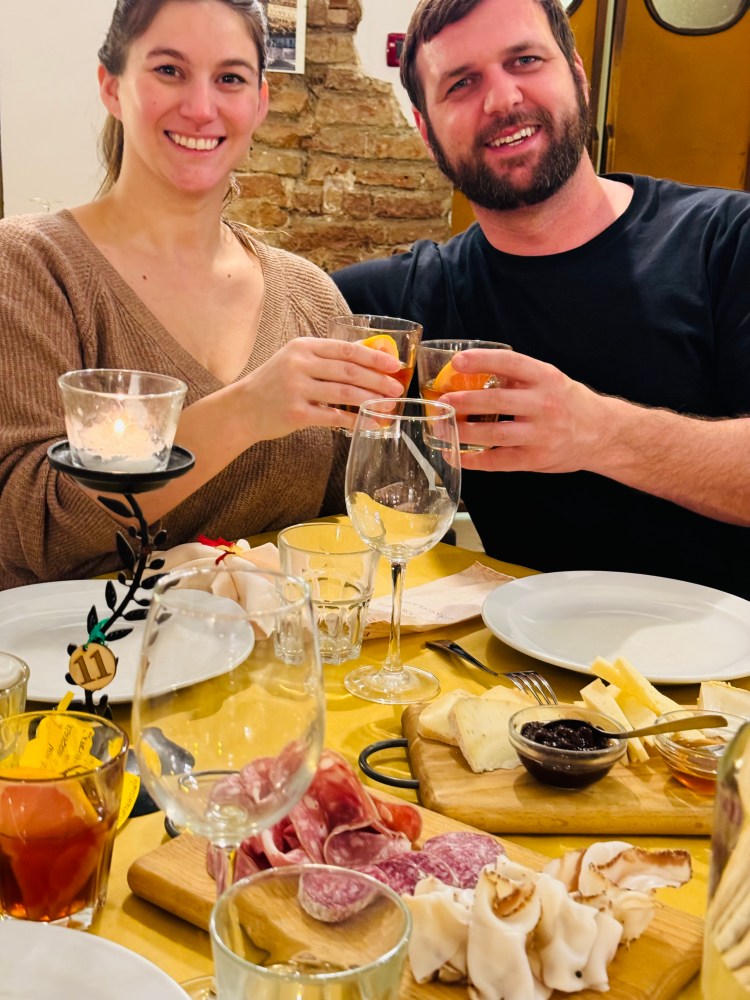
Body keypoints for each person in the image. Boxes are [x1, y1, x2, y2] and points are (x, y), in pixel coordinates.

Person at [334, 0, 750, 598]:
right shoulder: (412, 298)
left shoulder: (726, 240)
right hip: (516, 671)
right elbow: (261, 298)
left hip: (724, 677)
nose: (502, 99)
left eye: (524, 60)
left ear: (577, 75)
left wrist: (598, 433)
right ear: (427, 133)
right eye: (462, 83)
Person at [0, 0, 405, 590]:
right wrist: (246, 411)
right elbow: (32, 530)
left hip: (277, 676)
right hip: (90, 673)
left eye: (230, 79)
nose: (200, 107)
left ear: (260, 101)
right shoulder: (33, 267)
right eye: (169, 70)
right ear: (111, 87)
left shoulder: (311, 298)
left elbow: (350, 521)